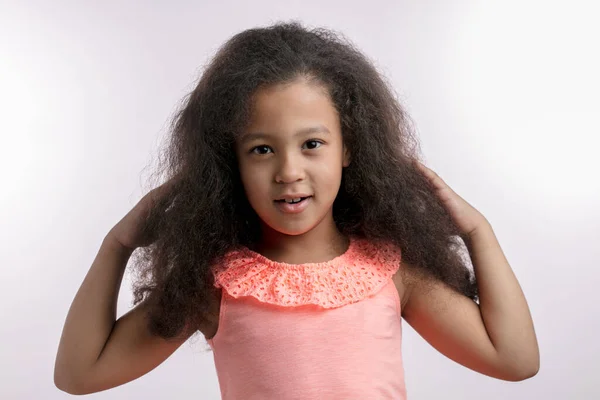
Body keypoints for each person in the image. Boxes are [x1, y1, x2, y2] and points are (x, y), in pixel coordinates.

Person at [54, 21, 539, 398]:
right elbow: (80, 374)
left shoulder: (389, 271)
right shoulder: (216, 283)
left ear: (349, 148)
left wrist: (479, 231)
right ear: (231, 163)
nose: (289, 171)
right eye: (261, 149)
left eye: (312, 143)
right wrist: (115, 246)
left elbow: (515, 360)